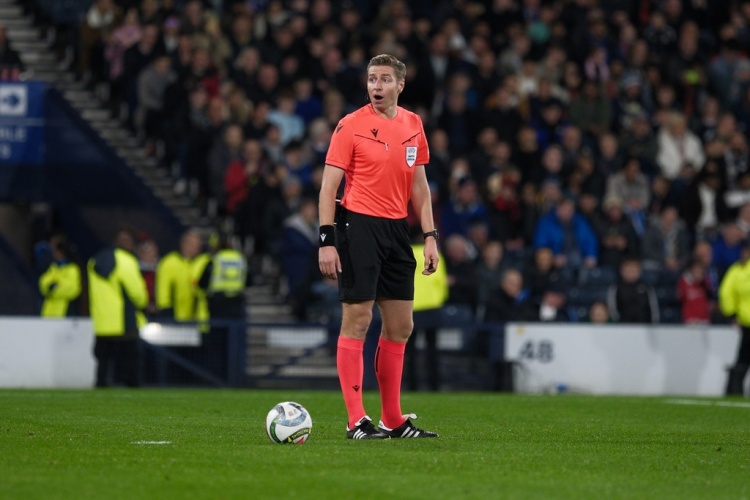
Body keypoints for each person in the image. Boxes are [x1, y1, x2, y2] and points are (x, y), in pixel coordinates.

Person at [318, 54, 439, 439]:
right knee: (358, 320)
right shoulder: (350, 125)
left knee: (401, 326)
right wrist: (326, 240)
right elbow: (328, 188)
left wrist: (430, 236)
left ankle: (393, 419)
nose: (377, 86)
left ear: (400, 85)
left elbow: (419, 187)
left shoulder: (413, 124)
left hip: (397, 230)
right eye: (372, 79)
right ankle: (356, 420)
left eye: (385, 79)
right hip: (358, 227)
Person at [88, 228, 148, 387]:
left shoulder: (94, 261)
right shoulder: (126, 260)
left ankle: (101, 384)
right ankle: (132, 385)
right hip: (123, 318)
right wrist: (143, 304)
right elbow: (137, 292)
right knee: (131, 356)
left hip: (102, 321)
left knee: (103, 358)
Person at [198, 234, 248, 379]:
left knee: (217, 345)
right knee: (235, 346)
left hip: (218, 307)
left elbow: (202, 282)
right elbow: (249, 280)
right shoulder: (240, 259)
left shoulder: (215, 259)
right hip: (236, 306)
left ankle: (217, 377)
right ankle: (235, 377)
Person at [405, 239, 448, 392]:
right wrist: (440, 299)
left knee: (410, 350)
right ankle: (434, 385)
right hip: (432, 306)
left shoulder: (406, 253)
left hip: (412, 306)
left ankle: (412, 385)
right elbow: (441, 282)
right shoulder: (434, 254)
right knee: (432, 349)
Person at [718, 240, 750, 396]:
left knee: (743, 358)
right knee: (743, 358)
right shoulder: (736, 270)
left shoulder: (738, 271)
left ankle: (734, 389)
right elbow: (726, 293)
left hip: (745, 320)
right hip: (746, 322)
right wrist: (732, 314)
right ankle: (735, 390)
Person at [38, 234, 82, 318]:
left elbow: (72, 289)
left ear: (60, 250)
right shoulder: (51, 267)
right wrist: (53, 286)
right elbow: (43, 284)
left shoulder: (72, 269)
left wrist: (53, 288)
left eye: (53, 248)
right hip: (47, 314)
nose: (51, 251)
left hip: (65, 314)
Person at [607, 257, 660, 324]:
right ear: (622, 271)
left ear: (639, 271)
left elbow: (653, 310)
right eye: (628, 268)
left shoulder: (647, 287)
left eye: (633, 268)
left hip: (644, 326)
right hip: (623, 326)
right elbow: (613, 310)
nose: (631, 271)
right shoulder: (616, 288)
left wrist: (653, 325)